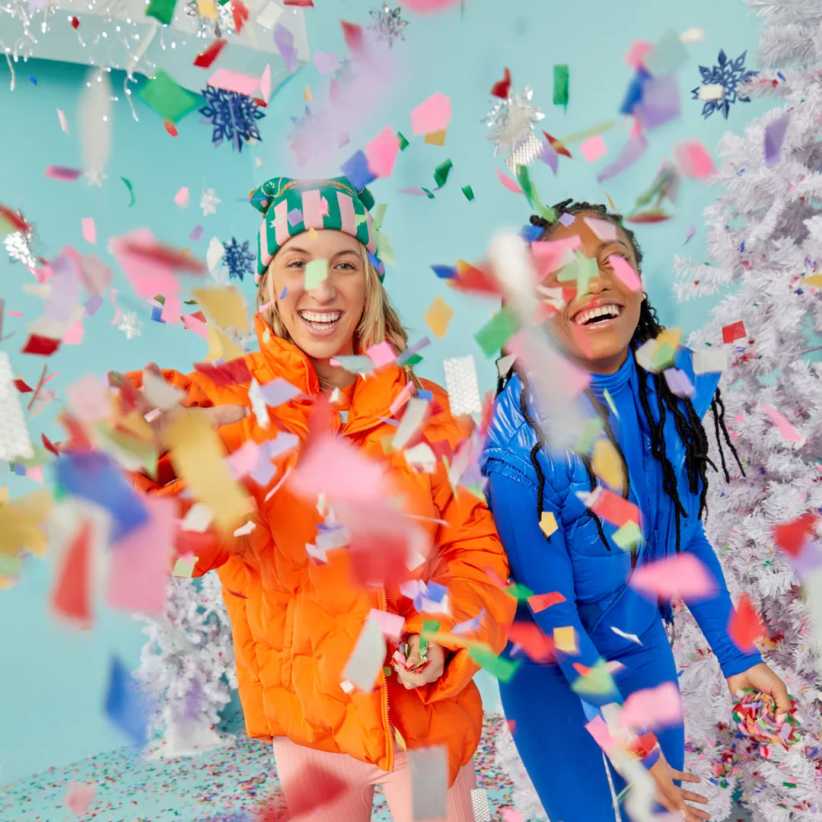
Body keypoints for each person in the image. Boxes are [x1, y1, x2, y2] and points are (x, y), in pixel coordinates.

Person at [124, 176, 515, 821]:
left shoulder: (429, 410)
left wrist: (441, 638)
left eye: (344, 264)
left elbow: (474, 547)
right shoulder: (229, 406)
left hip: (421, 722)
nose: (321, 286)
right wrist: (147, 448)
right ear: (269, 285)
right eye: (296, 263)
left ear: (372, 281)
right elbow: (173, 539)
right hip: (311, 727)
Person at [480, 200, 790, 822]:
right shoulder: (521, 443)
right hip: (550, 668)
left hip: (637, 642)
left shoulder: (665, 393)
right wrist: (631, 743)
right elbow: (553, 613)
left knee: (660, 814)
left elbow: (680, 537)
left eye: (610, 260)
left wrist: (739, 656)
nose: (592, 281)